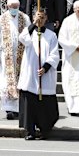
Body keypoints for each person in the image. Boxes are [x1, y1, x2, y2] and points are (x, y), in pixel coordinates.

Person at [17, 10, 60, 140]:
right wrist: (33, 24)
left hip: (44, 75)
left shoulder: (51, 35)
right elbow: (22, 39)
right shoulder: (29, 32)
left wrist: (46, 67)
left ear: (46, 18)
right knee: (30, 103)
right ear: (33, 17)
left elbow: (54, 54)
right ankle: (30, 131)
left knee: (45, 105)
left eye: (42, 17)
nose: (40, 19)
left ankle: (44, 129)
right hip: (31, 73)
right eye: (37, 16)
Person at [0, 0, 31, 119]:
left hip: (22, 55)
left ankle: (19, 107)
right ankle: (9, 108)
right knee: (6, 81)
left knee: (20, 80)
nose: (14, 9)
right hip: (6, 56)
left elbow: (30, 35)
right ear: (8, 7)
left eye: (16, 7)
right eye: (12, 7)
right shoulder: (2, 19)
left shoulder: (25, 18)